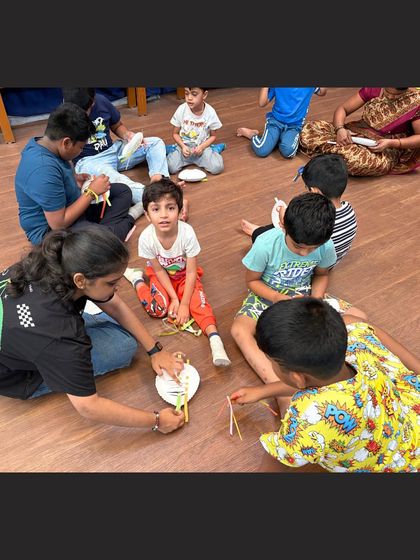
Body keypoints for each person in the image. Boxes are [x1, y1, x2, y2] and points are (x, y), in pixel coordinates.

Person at [0, 226, 185, 434]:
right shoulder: (59, 336)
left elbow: (113, 303)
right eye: (112, 282)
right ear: (80, 280)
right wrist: (157, 420)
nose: (118, 288)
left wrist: (155, 350)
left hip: (24, 332)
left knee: (105, 309)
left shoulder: (53, 260)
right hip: (14, 376)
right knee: (123, 347)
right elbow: (89, 407)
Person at [230, 298, 420, 473]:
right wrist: (263, 391)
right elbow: (317, 385)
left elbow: (278, 457)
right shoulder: (358, 337)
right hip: (409, 419)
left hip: (399, 463)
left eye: (272, 362)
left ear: (298, 378)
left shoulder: (310, 417)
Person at [231, 192, 366, 388]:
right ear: (284, 224)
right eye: (298, 246)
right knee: (239, 330)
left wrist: (316, 299)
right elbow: (252, 281)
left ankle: (330, 370)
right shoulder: (265, 244)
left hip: (307, 294)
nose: (304, 253)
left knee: (360, 317)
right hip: (268, 294)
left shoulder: (326, 245)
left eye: (312, 249)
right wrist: (277, 297)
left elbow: (322, 274)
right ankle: (278, 385)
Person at [124, 178, 231, 367]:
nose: (164, 215)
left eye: (170, 208)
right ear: (147, 215)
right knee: (158, 309)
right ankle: (136, 280)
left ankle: (215, 340)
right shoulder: (146, 238)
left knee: (199, 303)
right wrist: (174, 299)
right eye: (156, 209)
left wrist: (185, 304)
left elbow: (191, 273)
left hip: (185, 276)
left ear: (180, 211)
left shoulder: (187, 233)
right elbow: (157, 269)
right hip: (161, 276)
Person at [14, 102, 142, 245]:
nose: (81, 152)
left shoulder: (46, 145)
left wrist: (75, 179)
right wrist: (91, 193)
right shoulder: (42, 170)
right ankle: (125, 221)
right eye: (81, 147)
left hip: (72, 210)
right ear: (66, 143)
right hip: (52, 233)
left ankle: (104, 232)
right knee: (101, 244)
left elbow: (59, 178)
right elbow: (58, 224)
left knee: (122, 191)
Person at [62, 88, 186, 217]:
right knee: (120, 181)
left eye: (87, 110)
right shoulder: (64, 114)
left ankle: (158, 180)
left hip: (114, 150)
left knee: (155, 142)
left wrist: (128, 135)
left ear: (93, 101)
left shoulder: (101, 101)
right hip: (89, 161)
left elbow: (116, 125)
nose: (84, 114)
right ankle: (160, 199)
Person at [241, 154, 357, 265]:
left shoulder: (314, 219)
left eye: (307, 188)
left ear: (315, 191)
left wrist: (284, 219)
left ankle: (256, 231)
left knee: (267, 235)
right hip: (329, 265)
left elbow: (298, 236)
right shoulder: (349, 209)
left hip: (307, 267)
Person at [299, 87, 420, 176]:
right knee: (309, 129)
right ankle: (335, 155)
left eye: (397, 96)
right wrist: (340, 129)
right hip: (356, 131)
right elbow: (343, 109)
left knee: (356, 160)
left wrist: (391, 143)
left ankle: (330, 152)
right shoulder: (374, 88)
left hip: (385, 147)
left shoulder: (415, 100)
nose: (391, 98)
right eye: (388, 92)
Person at [236, 87, 327, 159]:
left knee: (288, 152)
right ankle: (252, 134)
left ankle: (280, 137)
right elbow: (262, 103)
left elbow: (322, 92)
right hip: (275, 122)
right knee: (262, 150)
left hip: (294, 126)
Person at [167, 87, 224, 176]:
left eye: (194, 94)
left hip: (202, 148)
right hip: (184, 148)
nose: (189, 98)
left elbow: (213, 136)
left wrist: (202, 147)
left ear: (204, 95)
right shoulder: (181, 109)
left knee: (217, 167)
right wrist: (182, 146)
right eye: (186, 93)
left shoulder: (210, 112)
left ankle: (215, 149)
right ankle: (173, 148)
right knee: (170, 168)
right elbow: (175, 133)